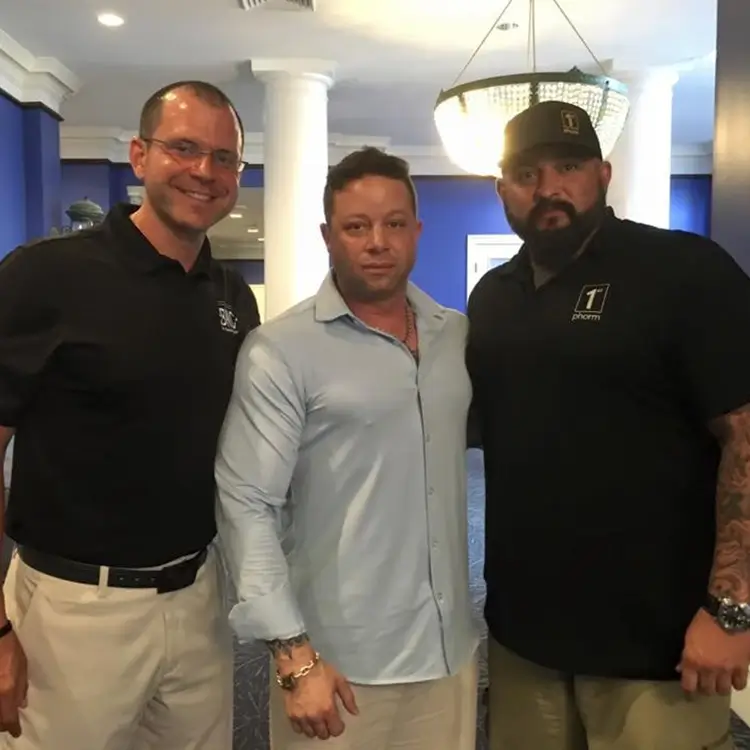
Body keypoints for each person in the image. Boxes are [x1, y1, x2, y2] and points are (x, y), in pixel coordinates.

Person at [466, 99, 750, 750]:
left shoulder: (684, 273)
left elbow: (744, 435)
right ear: (502, 187)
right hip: (524, 642)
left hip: (657, 650)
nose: (549, 189)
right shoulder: (493, 300)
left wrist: (731, 611)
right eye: (526, 173)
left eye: (568, 166)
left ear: (604, 173)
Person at [0, 80, 260, 750]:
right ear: (140, 156)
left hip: (197, 598)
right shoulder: (45, 277)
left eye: (223, 157)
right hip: (75, 610)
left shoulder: (232, 296)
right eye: (183, 148)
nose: (204, 171)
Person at [215, 146, 479, 749]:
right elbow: (245, 503)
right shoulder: (280, 350)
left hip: (450, 649)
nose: (377, 242)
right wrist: (293, 655)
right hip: (337, 664)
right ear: (328, 237)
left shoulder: (454, 335)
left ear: (417, 231)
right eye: (357, 227)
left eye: (393, 224)